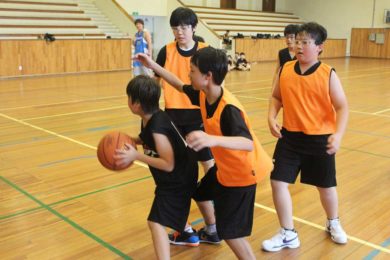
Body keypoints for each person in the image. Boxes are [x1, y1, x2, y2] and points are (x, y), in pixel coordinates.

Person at [135, 46, 273, 259]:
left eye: (192, 70)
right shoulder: (203, 94)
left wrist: (210, 139)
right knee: (199, 193)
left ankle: (225, 236)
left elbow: (247, 143)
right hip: (224, 170)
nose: (188, 74)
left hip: (243, 174)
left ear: (207, 76)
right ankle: (211, 230)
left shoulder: (228, 109)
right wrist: (152, 65)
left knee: (231, 234)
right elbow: (178, 84)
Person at [262, 22, 349, 252]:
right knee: (278, 182)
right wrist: (271, 117)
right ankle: (288, 233)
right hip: (290, 138)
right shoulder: (285, 69)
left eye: (305, 42)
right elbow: (276, 97)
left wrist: (338, 135)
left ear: (320, 47)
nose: (299, 46)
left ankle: (333, 222)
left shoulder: (327, 74)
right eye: (297, 41)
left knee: (326, 187)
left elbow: (342, 107)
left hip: (320, 139)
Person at [114, 75, 199, 259]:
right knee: (170, 207)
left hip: (178, 179)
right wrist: (131, 141)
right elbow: (148, 139)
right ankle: (186, 233)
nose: (127, 100)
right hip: (181, 174)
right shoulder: (151, 117)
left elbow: (168, 164)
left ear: (136, 104)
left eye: (128, 97)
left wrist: (136, 156)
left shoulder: (157, 128)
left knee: (155, 222)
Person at [155, 7, 218, 246]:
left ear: (193, 28)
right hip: (174, 116)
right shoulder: (166, 51)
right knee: (182, 172)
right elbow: (156, 82)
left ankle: (214, 215)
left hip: (199, 115)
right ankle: (192, 227)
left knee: (208, 165)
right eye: (175, 28)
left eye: (183, 27)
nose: (179, 32)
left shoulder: (204, 52)